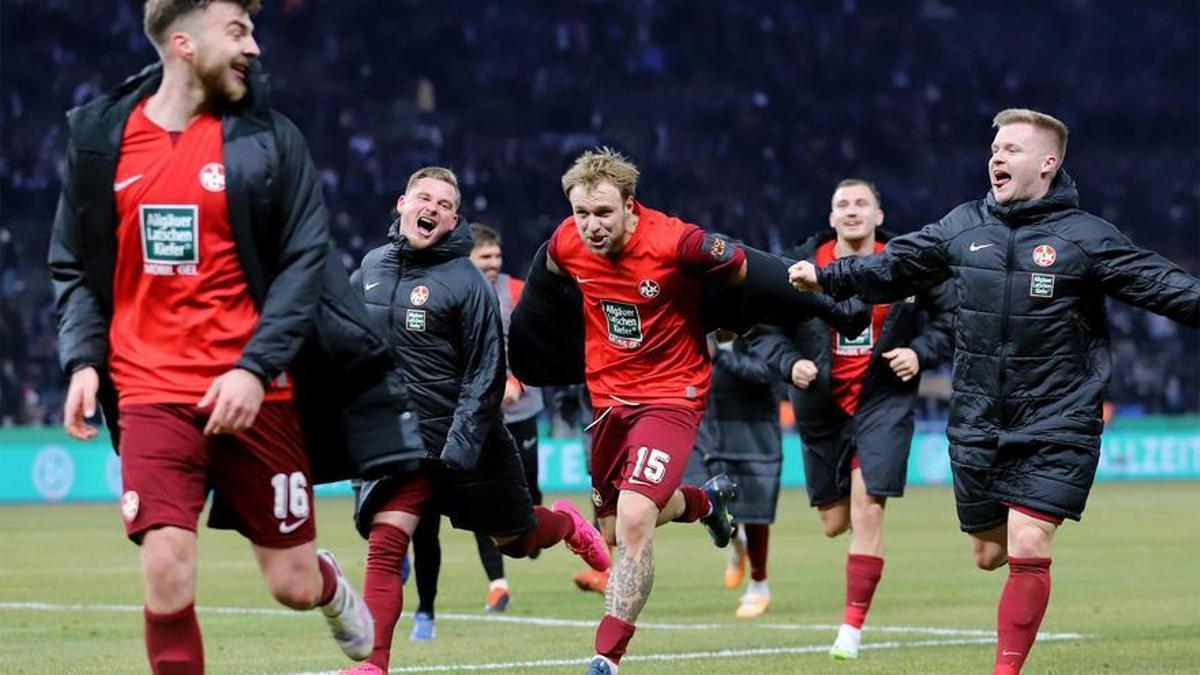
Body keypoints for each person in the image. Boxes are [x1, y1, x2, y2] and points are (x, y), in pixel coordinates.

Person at [47, 1, 401, 671]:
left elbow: (306, 262)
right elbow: (73, 261)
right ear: (183, 42)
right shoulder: (103, 141)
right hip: (151, 389)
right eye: (238, 31)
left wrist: (254, 367)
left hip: (257, 392)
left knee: (290, 583)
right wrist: (83, 358)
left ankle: (326, 585)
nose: (255, 47)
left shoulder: (270, 141)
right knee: (167, 567)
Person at [789, 109, 1200, 674]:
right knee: (989, 553)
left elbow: (1163, 284)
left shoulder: (1086, 237)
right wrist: (826, 275)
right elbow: (898, 266)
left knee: (1029, 542)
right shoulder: (962, 226)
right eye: (995, 148)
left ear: (1048, 164)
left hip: (1059, 419)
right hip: (978, 418)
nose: (997, 157)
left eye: (1012, 148)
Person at [343, 166, 610, 675]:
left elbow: (486, 372)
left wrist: (460, 449)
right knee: (385, 543)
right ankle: (373, 665)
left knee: (517, 542)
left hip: (467, 446)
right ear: (402, 204)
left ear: (454, 220)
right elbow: (354, 345)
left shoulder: (467, 282)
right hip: (403, 444)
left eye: (445, 206)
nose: (434, 210)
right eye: (425, 199)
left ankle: (567, 523)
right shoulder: (371, 267)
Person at [541, 148, 747, 675]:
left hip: (671, 397)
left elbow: (741, 264)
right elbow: (543, 277)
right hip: (608, 403)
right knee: (610, 529)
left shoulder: (672, 240)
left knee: (634, 520)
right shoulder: (566, 243)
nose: (590, 226)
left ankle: (606, 658)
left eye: (603, 213)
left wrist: (728, 322)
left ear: (631, 205)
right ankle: (704, 502)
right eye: (581, 214)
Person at [759, 178, 955, 658]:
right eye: (843, 205)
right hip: (820, 407)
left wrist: (919, 351)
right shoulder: (798, 265)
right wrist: (790, 363)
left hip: (884, 399)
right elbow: (761, 331)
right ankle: (857, 538)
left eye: (861, 204)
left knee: (869, 509)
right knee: (833, 522)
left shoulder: (908, 264)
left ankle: (850, 630)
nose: (852, 211)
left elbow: (951, 321)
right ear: (831, 218)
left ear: (878, 215)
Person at [467, 222, 547, 612]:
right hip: (479, 416)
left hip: (522, 408)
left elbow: (534, 346)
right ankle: (497, 584)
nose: (494, 262)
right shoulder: (456, 292)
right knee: (481, 500)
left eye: (497, 255)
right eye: (486, 256)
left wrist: (516, 381)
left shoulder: (516, 291)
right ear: (469, 257)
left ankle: (535, 525)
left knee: (527, 492)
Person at [681, 327, 785, 619]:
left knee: (755, 514)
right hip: (712, 432)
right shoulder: (702, 330)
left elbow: (767, 375)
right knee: (707, 502)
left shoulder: (760, 330)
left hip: (755, 434)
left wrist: (720, 357)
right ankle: (738, 544)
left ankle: (759, 585)